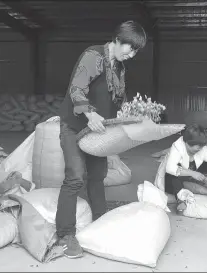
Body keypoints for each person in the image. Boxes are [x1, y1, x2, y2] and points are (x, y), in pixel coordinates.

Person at [56, 21, 147, 258]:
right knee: (75, 177)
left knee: (97, 176)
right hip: (75, 126)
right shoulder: (94, 56)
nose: (132, 53)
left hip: (98, 131)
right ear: (118, 39)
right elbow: (76, 89)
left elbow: (118, 98)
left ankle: (100, 221)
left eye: (136, 51)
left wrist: (132, 116)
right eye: (130, 47)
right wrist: (88, 113)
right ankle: (65, 235)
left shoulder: (119, 68)